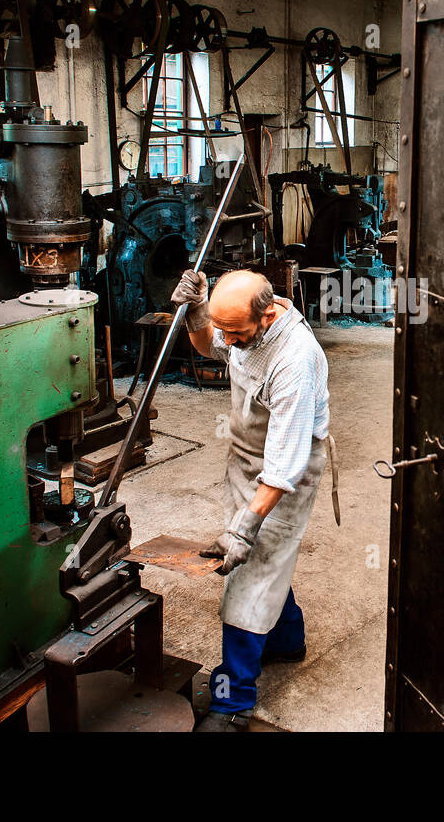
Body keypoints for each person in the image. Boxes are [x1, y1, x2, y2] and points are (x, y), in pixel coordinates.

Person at [170, 268, 333, 732]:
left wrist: (244, 526)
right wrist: (198, 313)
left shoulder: (295, 359)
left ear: (267, 315)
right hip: (245, 458)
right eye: (225, 329)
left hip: (287, 474)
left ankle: (233, 698)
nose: (228, 340)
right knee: (270, 565)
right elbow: (207, 347)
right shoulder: (236, 322)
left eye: (236, 333)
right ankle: (287, 640)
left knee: (248, 570)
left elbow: (283, 466)